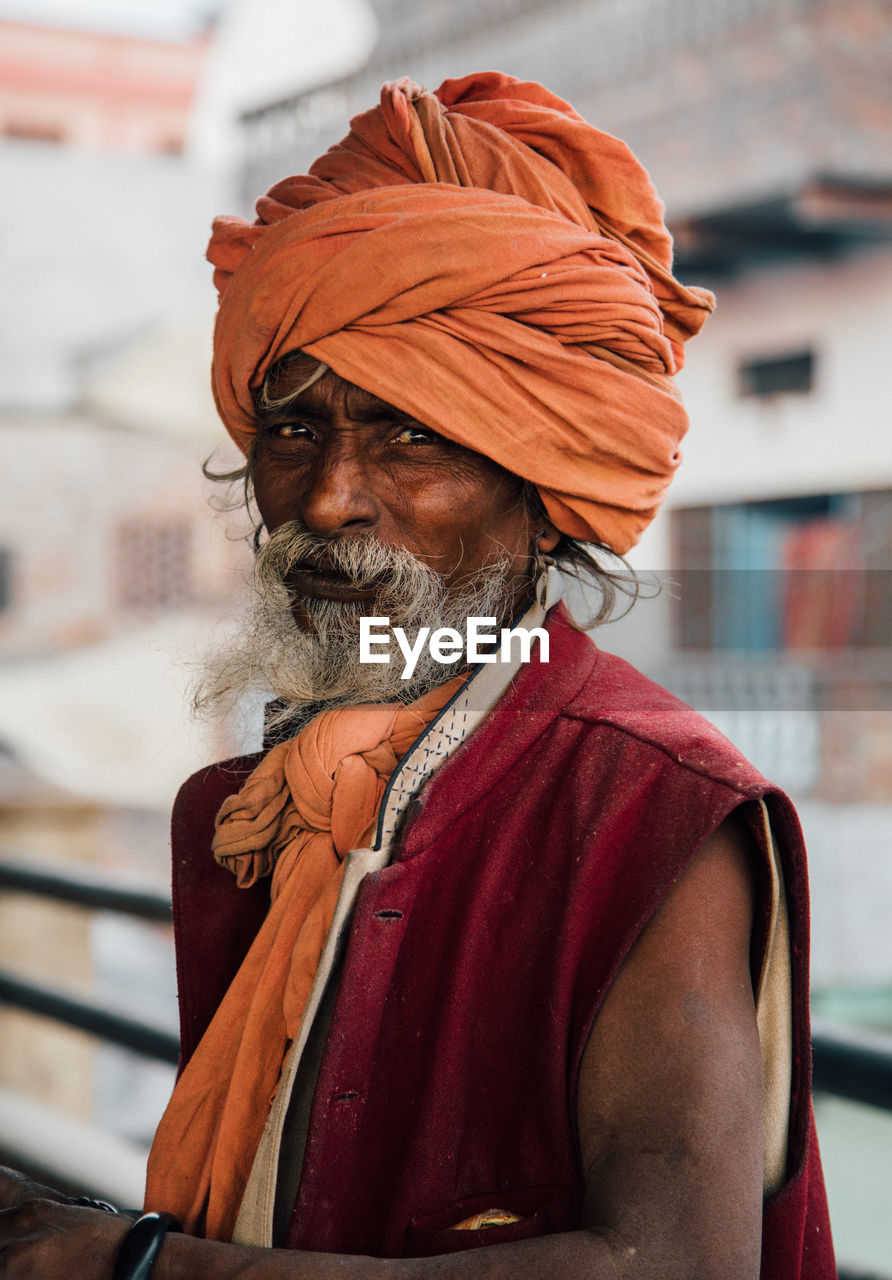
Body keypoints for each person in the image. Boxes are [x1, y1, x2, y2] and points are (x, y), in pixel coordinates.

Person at [0, 73, 837, 1279]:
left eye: (412, 433)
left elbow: (673, 1266)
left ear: (543, 494)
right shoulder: (254, 806)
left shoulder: (650, 807)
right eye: (295, 430)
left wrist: (135, 1266)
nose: (331, 498)